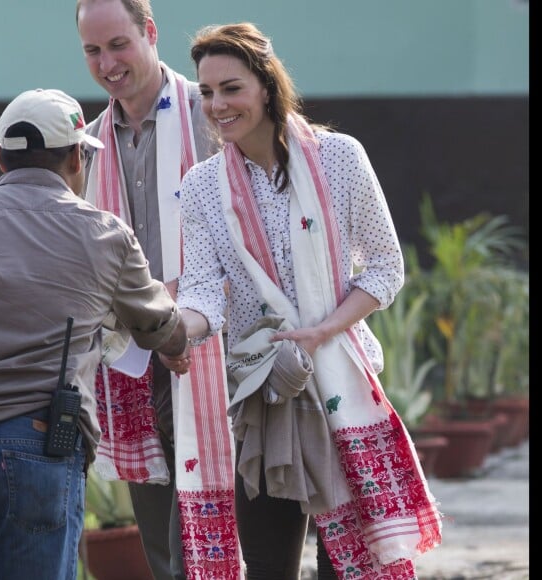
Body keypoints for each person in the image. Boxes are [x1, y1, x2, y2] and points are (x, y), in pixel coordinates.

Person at [174, 22, 444, 579]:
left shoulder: (340, 157)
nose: (216, 105)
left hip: (341, 382)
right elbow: (204, 291)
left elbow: (387, 267)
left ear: (266, 87)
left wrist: (324, 330)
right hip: (265, 392)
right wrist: (173, 327)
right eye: (206, 92)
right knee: (269, 563)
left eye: (231, 88)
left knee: (349, 566)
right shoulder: (202, 186)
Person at [0, 88, 191, 580]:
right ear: (77, 156)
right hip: (40, 445)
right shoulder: (104, 234)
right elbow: (159, 325)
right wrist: (179, 346)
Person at [74, 2, 228, 579]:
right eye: (93, 51)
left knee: (209, 531)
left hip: (216, 347)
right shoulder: (87, 146)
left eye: (118, 44)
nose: (108, 64)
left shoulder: (210, 114)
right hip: (134, 359)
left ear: (151, 32)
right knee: (161, 539)